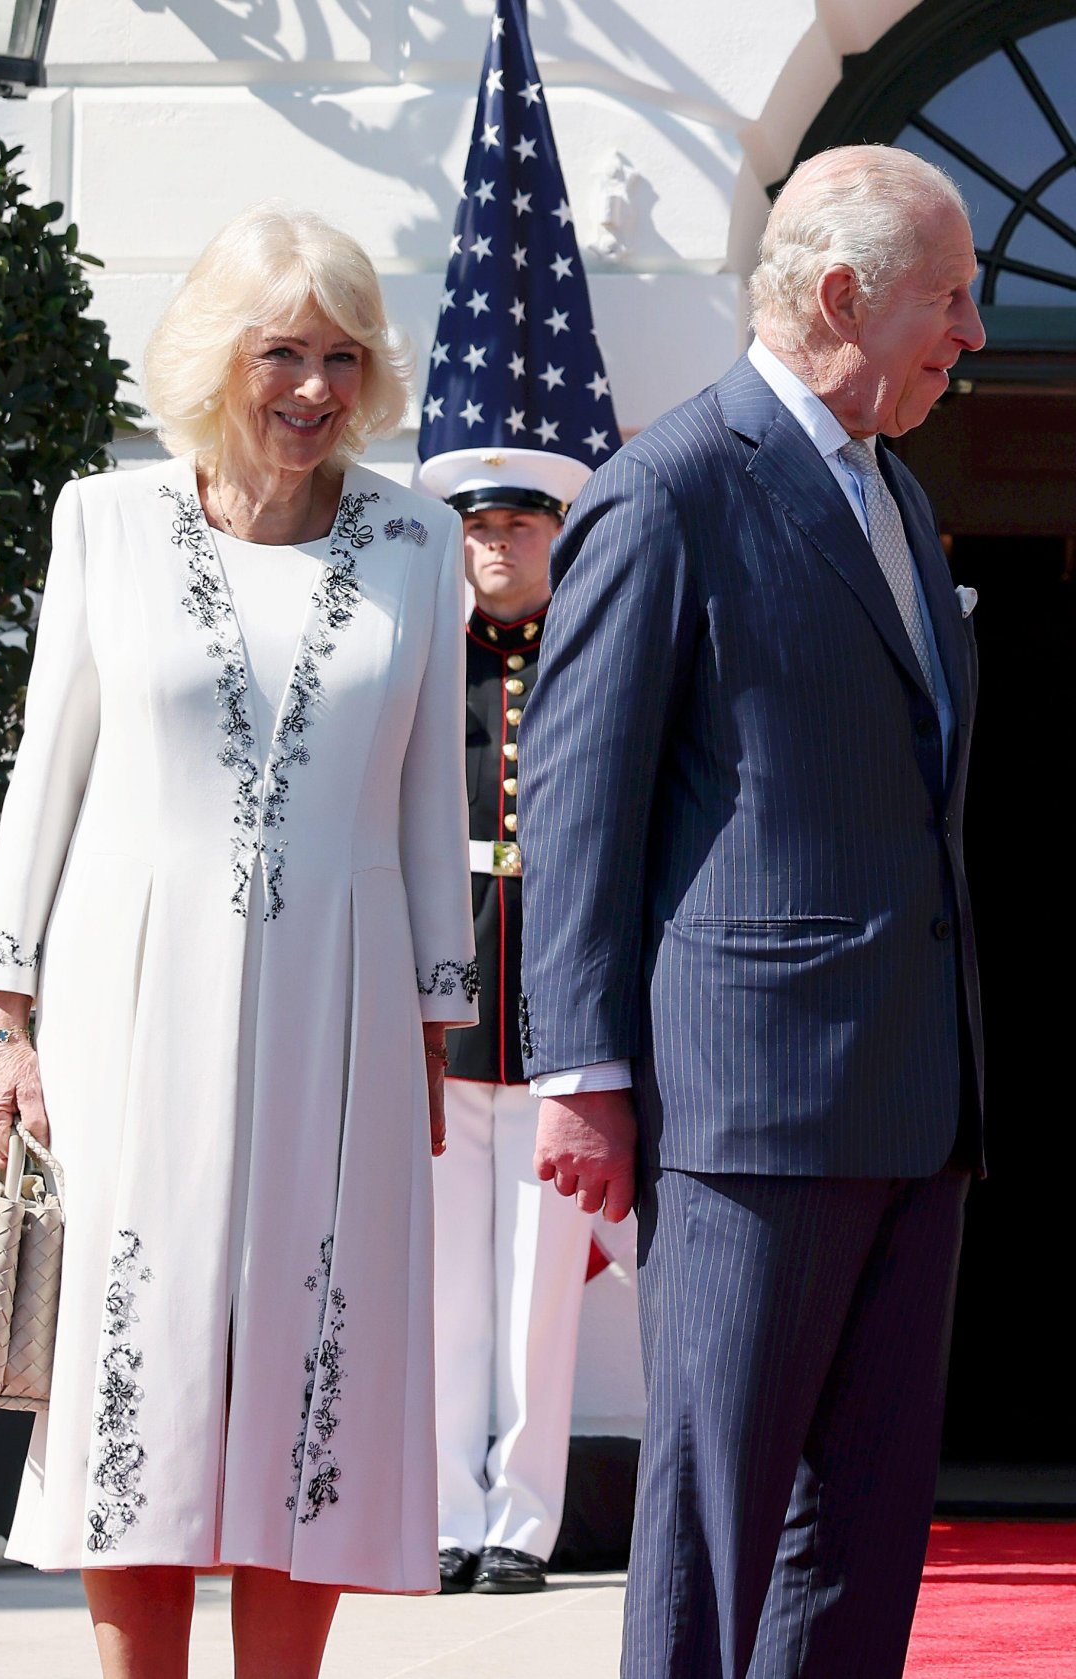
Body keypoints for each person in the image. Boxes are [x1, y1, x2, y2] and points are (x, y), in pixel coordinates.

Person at [0, 203, 478, 1679]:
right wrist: (9, 1020)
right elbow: (44, 776)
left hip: (351, 1006)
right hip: (130, 1007)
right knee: (151, 1352)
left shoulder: (418, 539)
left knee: (309, 1364)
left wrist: (436, 1024)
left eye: (340, 355)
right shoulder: (103, 521)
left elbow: (432, 795)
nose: (313, 387)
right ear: (216, 357)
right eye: (280, 353)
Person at [517, 145, 986, 1679]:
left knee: (862, 1529)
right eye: (954, 299)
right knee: (719, 1520)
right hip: (748, 1111)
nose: (975, 334)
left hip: (916, 1099)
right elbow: (579, 802)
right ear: (844, 295)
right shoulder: (671, 488)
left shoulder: (899, 496)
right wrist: (580, 1069)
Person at [418, 448, 593, 1595]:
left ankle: (520, 1525)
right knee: (442, 1287)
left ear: (554, 535)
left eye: (521, 528)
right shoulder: (427, 664)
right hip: (443, 1013)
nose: (497, 546)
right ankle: (438, 1511)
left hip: (554, 1015)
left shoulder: (591, 659)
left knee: (540, 1295)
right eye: (480, 528)